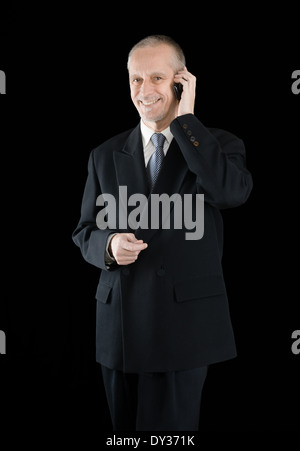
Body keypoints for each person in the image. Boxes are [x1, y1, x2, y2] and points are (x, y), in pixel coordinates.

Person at [72, 34, 253, 431]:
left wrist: (187, 121)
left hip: (183, 328)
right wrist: (108, 245)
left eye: (156, 77)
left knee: (171, 436)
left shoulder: (217, 145)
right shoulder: (104, 155)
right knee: (124, 437)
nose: (144, 90)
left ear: (180, 82)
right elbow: (84, 231)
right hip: (119, 329)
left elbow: (230, 193)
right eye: (136, 79)